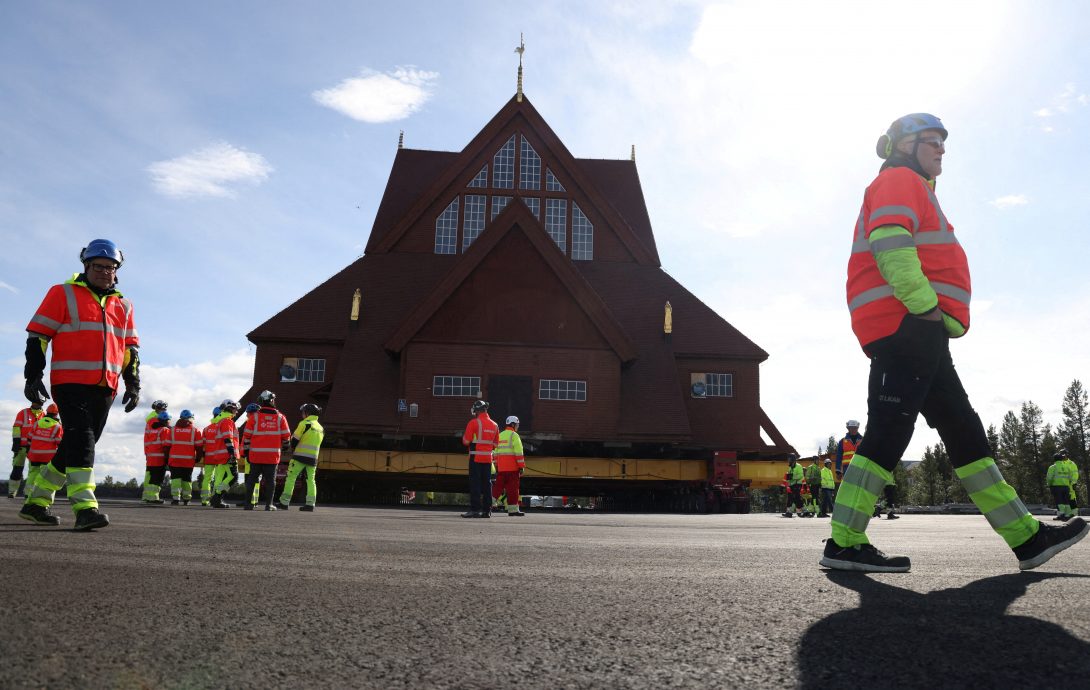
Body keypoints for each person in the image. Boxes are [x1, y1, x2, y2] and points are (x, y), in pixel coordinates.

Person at [823, 113, 1087, 572]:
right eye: (931, 140)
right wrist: (925, 307)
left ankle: (1026, 537)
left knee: (964, 432)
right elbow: (890, 241)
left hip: (919, 330)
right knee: (889, 430)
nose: (942, 148)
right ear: (903, 147)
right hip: (907, 324)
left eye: (943, 142)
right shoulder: (899, 179)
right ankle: (844, 542)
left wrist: (930, 318)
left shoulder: (915, 187)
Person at [19, 239, 139, 530]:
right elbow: (38, 335)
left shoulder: (124, 305)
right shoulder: (62, 293)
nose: (105, 272)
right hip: (69, 382)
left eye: (110, 267)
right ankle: (85, 508)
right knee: (82, 440)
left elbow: (130, 349)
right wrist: (33, 374)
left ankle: (36, 503)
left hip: (105, 386)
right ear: (86, 266)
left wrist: (133, 383)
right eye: (98, 266)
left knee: (76, 444)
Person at [241, 390, 290, 511]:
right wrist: (285, 446)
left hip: (255, 456)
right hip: (272, 457)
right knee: (270, 481)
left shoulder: (254, 417)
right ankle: (269, 505)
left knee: (252, 480)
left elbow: (246, 437)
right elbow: (286, 437)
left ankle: (247, 504)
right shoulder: (281, 418)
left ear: (261, 402)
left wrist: (246, 452)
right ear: (272, 400)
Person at [278, 403, 324, 511]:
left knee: (291, 477)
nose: (302, 414)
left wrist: (291, 448)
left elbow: (294, 440)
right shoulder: (320, 428)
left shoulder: (304, 423)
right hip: (313, 458)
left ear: (307, 413)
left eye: (303, 412)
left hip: (299, 457)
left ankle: (284, 502)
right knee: (311, 480)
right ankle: (310, 504)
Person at [461, 399, 498, 518]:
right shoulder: (495, 425)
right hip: (488, 459)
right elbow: (495, 444)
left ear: (477, 410)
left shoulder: (473, 423)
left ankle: (475, 510)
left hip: (475, 458)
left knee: (475, 484)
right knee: (487, 484)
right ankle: (487, 511)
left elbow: (466, 441)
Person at [492, 415, 526, 516]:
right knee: (513, 490)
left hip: (502, 469)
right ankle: (513, 510)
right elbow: (519, 453)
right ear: (513, 424)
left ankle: (488, 503)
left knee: (497, 488)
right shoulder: (514, 435)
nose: (518, 427)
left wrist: (497, 465)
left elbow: (495, 453)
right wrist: (521, 466)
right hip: (513, 469)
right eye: (517, 425)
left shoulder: (500, 435)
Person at [167, 409, 203, 505]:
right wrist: (198, 457)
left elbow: (166, 446)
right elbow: (199, 447)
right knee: (187, 479)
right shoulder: (195, 430)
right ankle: (186, 499)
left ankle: (176, 498)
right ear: (191, 418)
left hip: (174, 460)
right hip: (188, 461)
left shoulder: (172, 430)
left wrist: (167, 458)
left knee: (175, 479)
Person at [9, 401, 44, 498]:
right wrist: (16, 442)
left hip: (34, 448)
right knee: (17, 470)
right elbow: (16, 428)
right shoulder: (23, 413)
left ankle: (28, 493)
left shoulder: (43, 415)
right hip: (21, 447)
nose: (36, 403)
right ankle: (12, 492)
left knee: (33, 471)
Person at [26, 405, 63, 493]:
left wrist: (30, 450)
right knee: (45, 475)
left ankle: (28, 493)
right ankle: (39, 493)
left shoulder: (37, 423)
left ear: (47, 412)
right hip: (47, 456)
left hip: (34, 454)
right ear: (56, 414)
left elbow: (29, 438)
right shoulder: (57, 426)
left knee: (33, 473)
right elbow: (59, 442)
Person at [141, 411, 171, 504]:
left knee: (150, 477)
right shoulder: (164, 430)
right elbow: (166, 445)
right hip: (159, 458)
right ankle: (154, 497)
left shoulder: (153, 430)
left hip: (150, 457)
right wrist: (167, 458)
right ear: (166, 420)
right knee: (157, 479)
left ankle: (147, 496)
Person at [1046, 452, 1078, 522]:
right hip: (1066, 487)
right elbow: (1070, 477)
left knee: (1059, 501)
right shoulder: (1067, 467)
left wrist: (1049, 484)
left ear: (1054, 459)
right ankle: (1067, 515)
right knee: (1066, 501)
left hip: (1057, 486)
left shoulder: (1053, 467)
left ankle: (1061, 514)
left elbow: (1049, 478)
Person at [199, 406, 221, 506]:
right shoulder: (222, 427)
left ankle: (204, 500)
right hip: (219, 457)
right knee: (218, 478)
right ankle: (215, 499)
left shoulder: (206, 429)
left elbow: (202, 444)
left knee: (207, 478)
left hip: (208, 457)